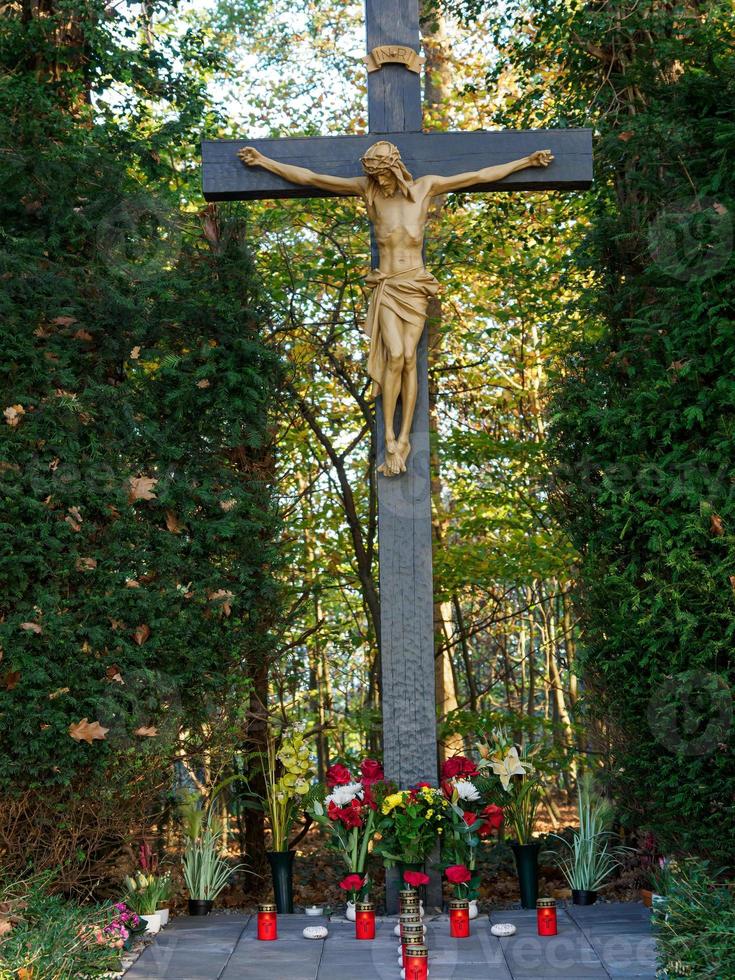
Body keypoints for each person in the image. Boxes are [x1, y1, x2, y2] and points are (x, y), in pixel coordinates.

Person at [239, 140, 553, 476]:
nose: (380, 183)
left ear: (395, 168)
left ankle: (403, 438)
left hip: (415, 286)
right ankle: (388, 434)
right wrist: (263, 161)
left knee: (408, 359)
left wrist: (526, 162)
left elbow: (479, 175)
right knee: (398, 354)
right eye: (374, 177)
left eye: (383, 176)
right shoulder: (368, 192)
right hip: (387, 286)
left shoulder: (426, 188)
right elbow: (311, 179)